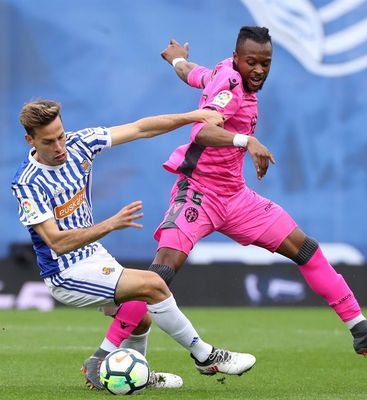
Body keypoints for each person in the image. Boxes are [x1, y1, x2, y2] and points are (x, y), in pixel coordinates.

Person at [152, 26, 367, 356]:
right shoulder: (232, 84)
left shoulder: (224, 71)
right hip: (199, 192)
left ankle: (361, 330)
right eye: (252, 62)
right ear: (237, 58)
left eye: (265, 63)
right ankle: (109, 349)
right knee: (162, 271)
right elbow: (202, 131)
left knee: (305, 248)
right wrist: (246, 140)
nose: (259, 70)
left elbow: (197, 75)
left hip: (235, 197)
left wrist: (177, 61)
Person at [11, 99, 256, 390]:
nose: (59, 146)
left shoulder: (80, 144)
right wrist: (110, 224)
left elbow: (141, 128)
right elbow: (56, 242)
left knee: (140, 317)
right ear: (30, 140)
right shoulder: (28, 183)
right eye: (48, 142)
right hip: (65, 272)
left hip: (92, 255)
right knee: (153, 285)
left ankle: (129, 373)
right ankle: (206, 356)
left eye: (61, 136)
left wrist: (192, 115)